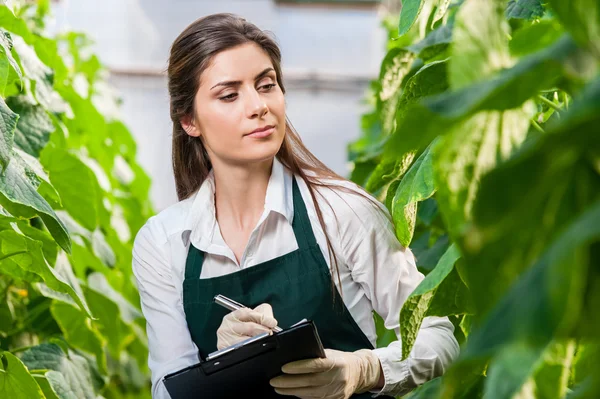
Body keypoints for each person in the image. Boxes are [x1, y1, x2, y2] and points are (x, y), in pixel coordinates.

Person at [132, 13, 459, 399]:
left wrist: (364, 368)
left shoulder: (343, 211)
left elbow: (438, 336)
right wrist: (222, 360)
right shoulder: (164, 242)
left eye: (266, 85)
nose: (258, 106)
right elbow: (167, 388)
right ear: (189, 121)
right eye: (229, 95)